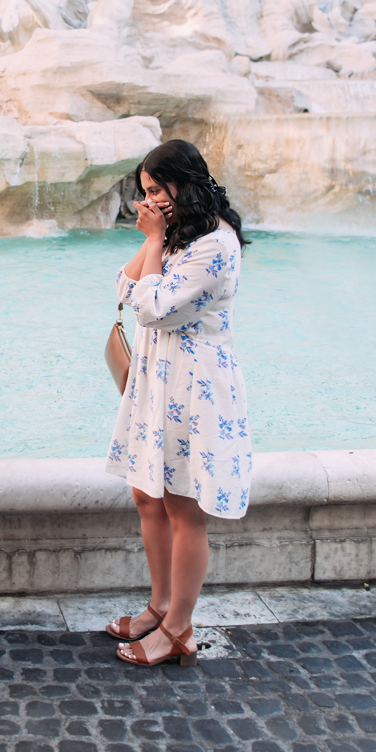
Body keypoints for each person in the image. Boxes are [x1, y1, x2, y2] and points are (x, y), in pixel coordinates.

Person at [105, 141, 252, 668]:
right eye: (142, 193)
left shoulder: (215, 243)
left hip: (194, 389)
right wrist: (155, 240)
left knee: (182, 507)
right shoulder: (177, 235)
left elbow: (151, 307)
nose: (146, 202)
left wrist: (153, 240)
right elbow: (124, 285)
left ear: (180, 185)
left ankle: (179, 630)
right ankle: (159, 605)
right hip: (156, 382)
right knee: (148, 495)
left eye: (154, 191)